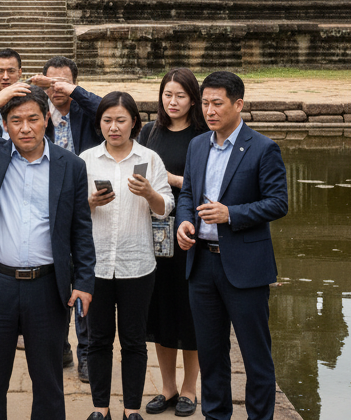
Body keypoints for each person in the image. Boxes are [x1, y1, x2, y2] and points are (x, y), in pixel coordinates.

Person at [0, 81, 96, 420]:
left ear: (46, 119)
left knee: (49, 381)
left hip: (48, 286)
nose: (25, 128)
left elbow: (80, 228)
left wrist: (84, 280)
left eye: (33, 119)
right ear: (5, 124)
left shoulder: (70, 165)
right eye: (15, 120)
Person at [176, 72, 288, 420]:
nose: (209, 111)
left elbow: (278, 203)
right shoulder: (197, 145)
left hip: (245, 266)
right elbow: (188, 194)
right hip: (201, 265)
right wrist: (184, 221)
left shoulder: (263, 148)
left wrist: (231, 214)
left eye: (217, 103)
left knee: (256, 356)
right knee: (211, 354)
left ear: (238, 104)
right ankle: (216, 415)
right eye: (204, 103)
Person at [81, 92, 172, 420]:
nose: (114, 127)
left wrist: (149, 193)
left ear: (134, 122)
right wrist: (90, 203)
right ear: (99, 123)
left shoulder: (150, 158)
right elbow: (71, 212)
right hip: (96, 265)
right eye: (107, 120)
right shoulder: (86, 160)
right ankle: (100, 408)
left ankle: (131, 409)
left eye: (121, 120)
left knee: (134, 341)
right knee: (98, 339)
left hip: (138, 264)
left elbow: (165, 209)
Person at [137, 68, 209, 417]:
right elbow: (139, 173)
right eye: (168, 94)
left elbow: (208, 185)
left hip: (189, 232)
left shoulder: (203, 136)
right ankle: (167, 387)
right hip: (153, 232)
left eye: (181, 95)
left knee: (189, 312)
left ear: (193, 99)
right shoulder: (150, 132)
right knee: (160, 310)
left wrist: (170, 179)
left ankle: (189, 388)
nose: (173, 101)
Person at [31, 55, 101, 381]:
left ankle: (87, 352)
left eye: (64, 82)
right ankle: (60, 346)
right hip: (46, 210)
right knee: (53, 280)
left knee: (84, 279)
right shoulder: (37, 115)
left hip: (88, 208)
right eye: (51, 82)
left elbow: (108, 109)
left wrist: (73, 91)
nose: (56, 88)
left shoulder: (86, 114)